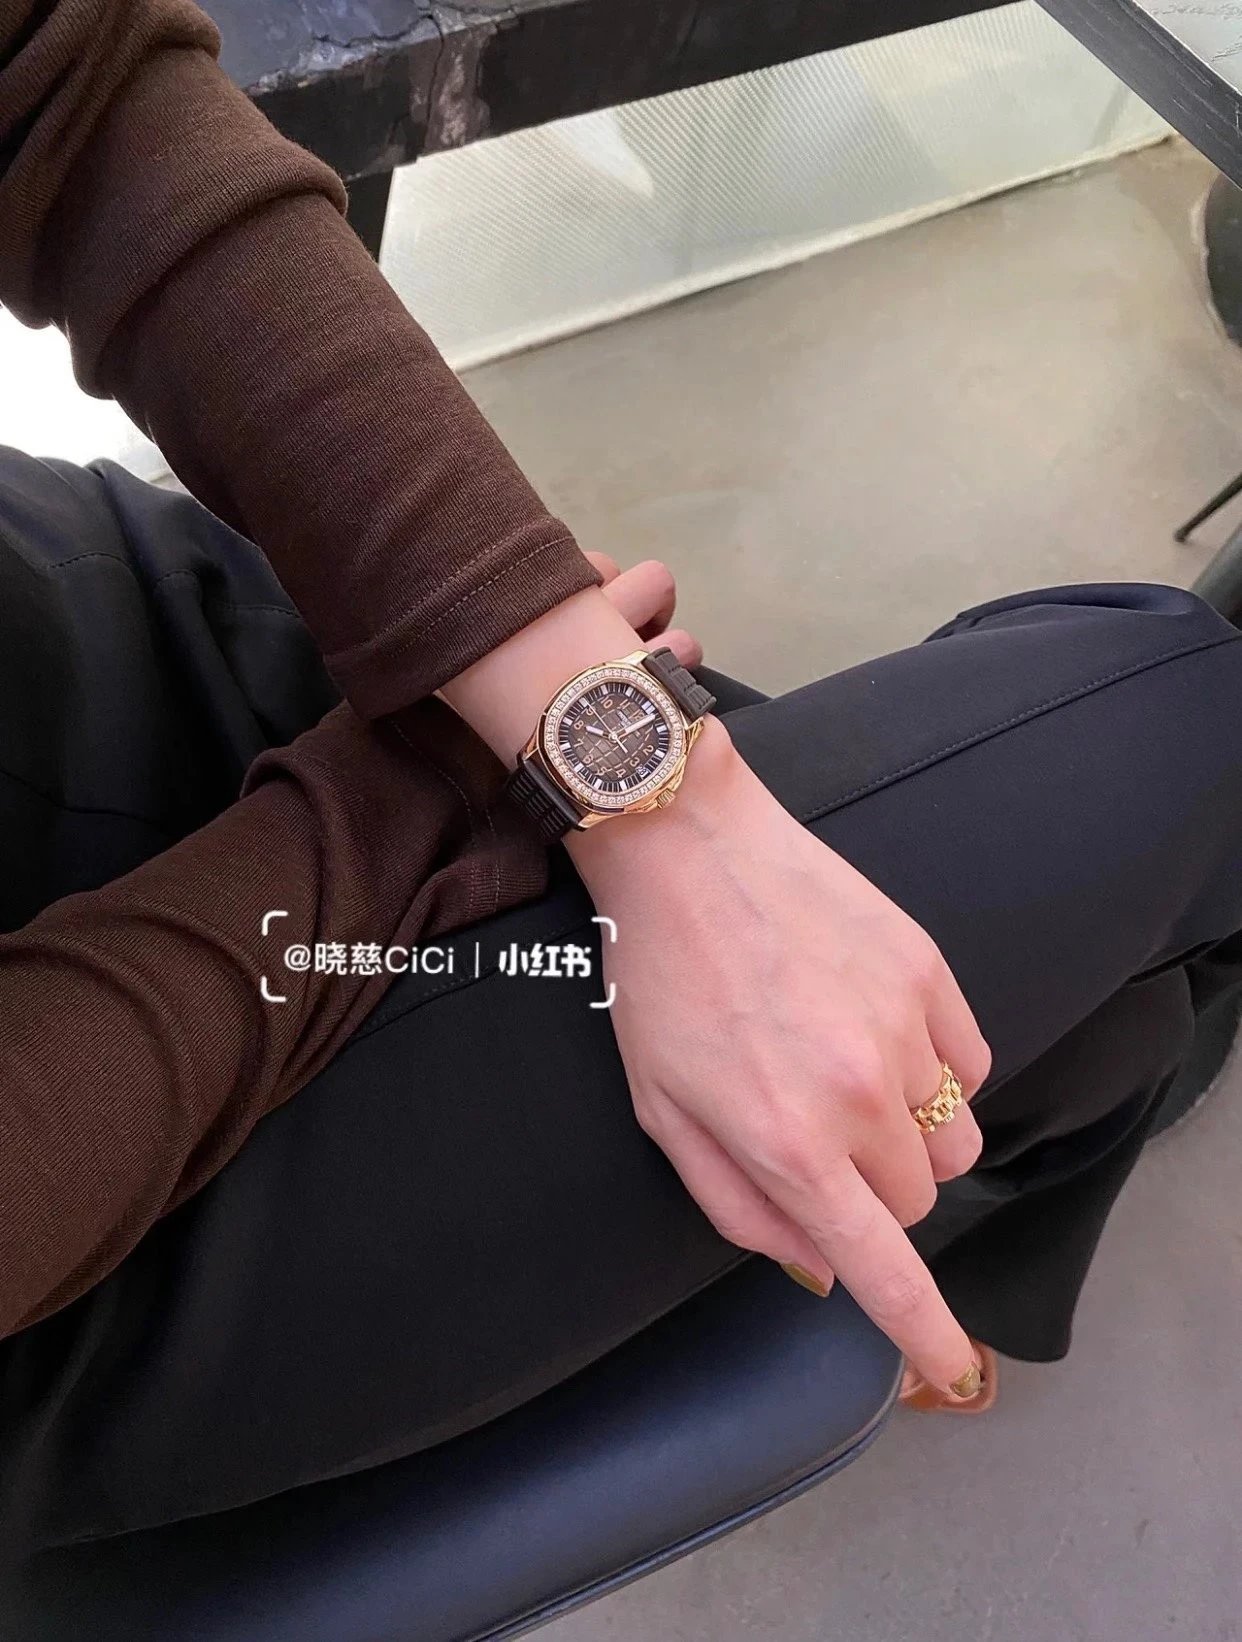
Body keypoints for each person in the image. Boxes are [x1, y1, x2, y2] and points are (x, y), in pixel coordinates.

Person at [1, 0, 1241, 1551]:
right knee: (1180, 723)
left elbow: (63, 84)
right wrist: (437, 780)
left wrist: (555, 688)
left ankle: (988, 1207)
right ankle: (991, 1211)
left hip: (63, 617)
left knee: (1000, 966)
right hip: (88, 1195)